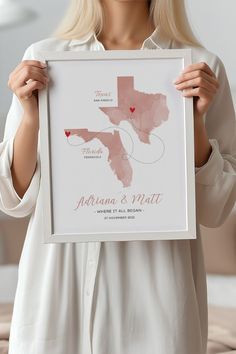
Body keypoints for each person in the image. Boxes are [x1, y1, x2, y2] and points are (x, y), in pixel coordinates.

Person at [1, 0, 236, 353]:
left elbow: (214, 209)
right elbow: (12, 199)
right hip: (58, 290)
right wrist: (32, 116)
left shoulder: (196, 66)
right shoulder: (46, 59)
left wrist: (195, 123)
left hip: (157, 299)